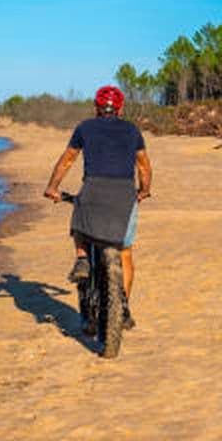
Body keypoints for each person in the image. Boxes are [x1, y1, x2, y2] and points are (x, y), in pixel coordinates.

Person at [43, 85, 152, 329]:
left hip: (93, 190)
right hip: (124, 194)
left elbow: (67, 160)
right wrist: (143, 191)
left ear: (96, 107)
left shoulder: (85, 128)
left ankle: (82, 257)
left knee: (79, 223)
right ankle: (122, 310)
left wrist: (52, 187)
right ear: (121, 108)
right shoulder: (132, 130)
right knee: (124, 252)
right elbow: (144, 166)